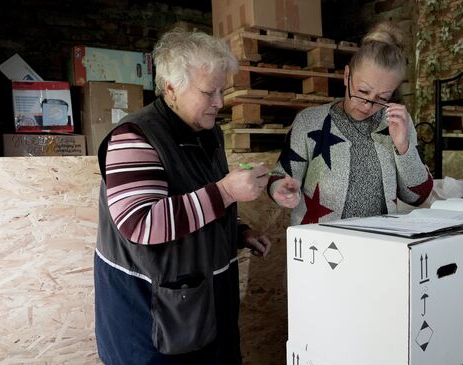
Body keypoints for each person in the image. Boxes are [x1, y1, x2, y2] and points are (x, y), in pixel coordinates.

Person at [93, 28, 271, 365]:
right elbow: (141, 223)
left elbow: (197, 203)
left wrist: (238, 233)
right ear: (171, 88)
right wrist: (227, 190)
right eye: (209, 92)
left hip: (204, 312)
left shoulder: (207, 133)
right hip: (151, 325)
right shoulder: (134, 138)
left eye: (223, 90)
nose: (220, 102)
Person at [268, 21, 433, 224]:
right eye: (362, 92)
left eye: (382, 98)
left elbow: (417, 197)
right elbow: (280, 176)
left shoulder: (398, 124)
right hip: (320, 246)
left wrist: (404, 147)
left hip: (380, 242)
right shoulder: (309, 122)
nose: (367, 106)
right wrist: (280, 189)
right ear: (347, 76)